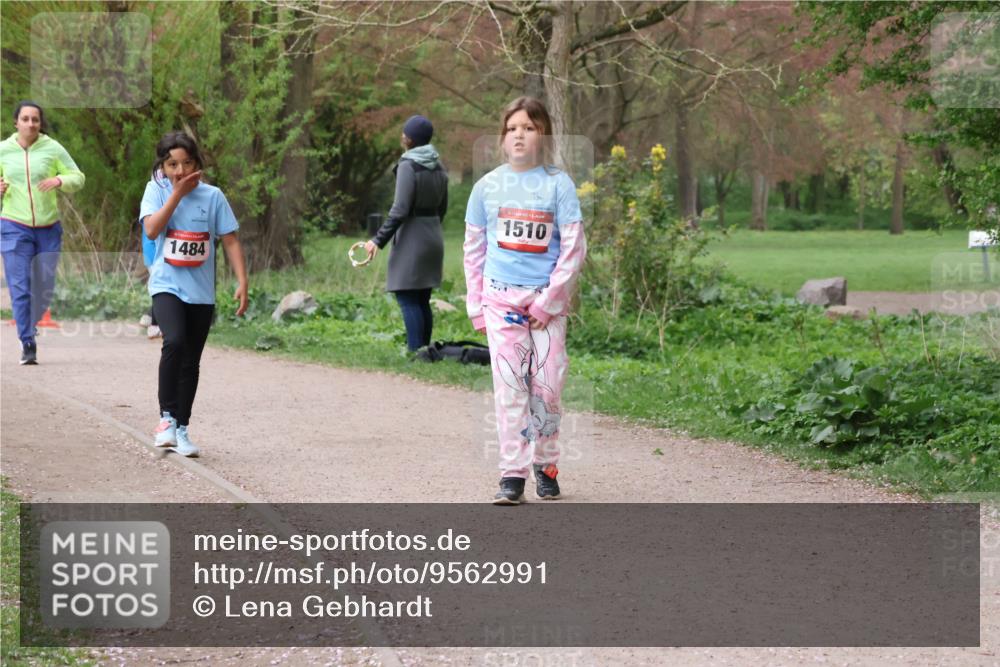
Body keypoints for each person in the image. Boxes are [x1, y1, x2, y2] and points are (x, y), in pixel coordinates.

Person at [463, 96, 587, 505]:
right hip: (501, 303)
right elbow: (474, 250)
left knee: (547, 388)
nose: (520, 134)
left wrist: (548, 301)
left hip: (545, 307)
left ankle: (545, 464)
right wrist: (477, 306)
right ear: (502, 138)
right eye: (512, 128)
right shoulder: (486, 188)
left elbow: (573, 247)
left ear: (543, 136)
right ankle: (512, 474)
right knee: (511, 387)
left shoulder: (558, 184)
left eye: (529, 128)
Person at [139, 131, 248, 457]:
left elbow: (229, 239)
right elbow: (152, 229)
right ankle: (165, 420)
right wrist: (176, 195)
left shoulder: (213, 196)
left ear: (197, 163)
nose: (180, 171)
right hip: (166, 284)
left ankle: (182, 428)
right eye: (172, 164)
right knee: (173, 341)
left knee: (191, 361)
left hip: (201, 291)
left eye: (186, 163)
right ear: (163, 165)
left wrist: (242, 280)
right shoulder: (156, 191)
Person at [0, 101, 85, 365]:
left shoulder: (52, 148)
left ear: (40, 123)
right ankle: (27, 341)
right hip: (14, 226)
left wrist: (60, 180)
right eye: (25, 119)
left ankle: (31, 323)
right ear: (16, 122)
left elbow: (77, 176)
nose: (30, 124)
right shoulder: (3, 150)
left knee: (44, 288)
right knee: (20, 287)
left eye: (35, 119)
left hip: (48, 228)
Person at [364, 114, 448, 353]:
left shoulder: (407, 165)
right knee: (422, 298)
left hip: (412, 237)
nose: (402, 136)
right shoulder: (439, 165)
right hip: (433, 235)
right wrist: (429, 227)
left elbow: (400, 209)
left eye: (405, 133)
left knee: (407, 297)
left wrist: (377, 241)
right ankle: (425, 352)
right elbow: (442, 208)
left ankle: (416, 353)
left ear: (409, 139)